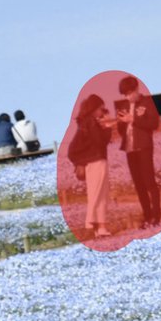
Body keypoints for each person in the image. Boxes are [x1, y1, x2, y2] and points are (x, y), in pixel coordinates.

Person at [67, 94, 114, 238]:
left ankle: (100, 228)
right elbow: (100, 142)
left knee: (97, 194)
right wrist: (107, 127)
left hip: (91, 162)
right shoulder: (92, 123)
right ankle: (91, 224)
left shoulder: (85, 123)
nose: (103, 111)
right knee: (98, 195)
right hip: (97, 161)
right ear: (94, 109)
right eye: (101, 108)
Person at [116, 76, 160, 227]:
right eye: (125, 94)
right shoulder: (123, 105)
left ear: (136, 89)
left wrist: (133, 119)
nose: (128, 97)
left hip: (144, 147)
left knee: (149, 183)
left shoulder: (148, 102)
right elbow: (121, 130)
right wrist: (121, 122)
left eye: (129, 93)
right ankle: (146, 216)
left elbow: (153, 124)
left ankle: (156, 216)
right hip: (130, 149)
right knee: (139, 185)